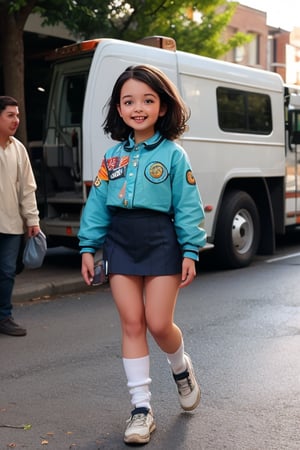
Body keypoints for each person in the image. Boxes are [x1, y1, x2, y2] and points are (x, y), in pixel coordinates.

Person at [78, 65, 206, 445]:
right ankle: (141, 410)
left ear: (162, 107)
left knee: (158, 324)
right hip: (121, 242)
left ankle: (181, 367)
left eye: (148, 100)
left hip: (162, 241)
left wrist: (190, 249)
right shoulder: (112, 158)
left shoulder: (174, 155)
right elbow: (97, 204)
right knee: (132, 323)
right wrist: (88, 246)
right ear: (119, 109)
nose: (138, 108)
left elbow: (188, 205)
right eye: (129, 101)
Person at [0, 96, 40, 337]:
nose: (16, 120)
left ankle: (4, 316)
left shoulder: (18, 149)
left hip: (12, 224)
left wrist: (32, 220)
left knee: (6, 272)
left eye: (17, 115)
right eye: (10, 115)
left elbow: (27, 187)